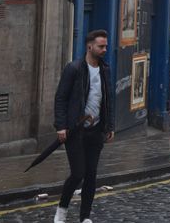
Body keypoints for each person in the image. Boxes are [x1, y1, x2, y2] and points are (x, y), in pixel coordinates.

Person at [53, 29, 114, 223]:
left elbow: (108, 99)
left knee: (91, 175)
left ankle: (85, 217)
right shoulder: (74, 68)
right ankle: (61, 210)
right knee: (78, 173)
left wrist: (109, 126)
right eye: (101, 46)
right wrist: (61, 126)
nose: (104, 49)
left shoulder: (105, 69)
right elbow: (61, 98)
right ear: (90, 46)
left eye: (105, 46)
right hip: (76, 130)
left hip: (96, 131)